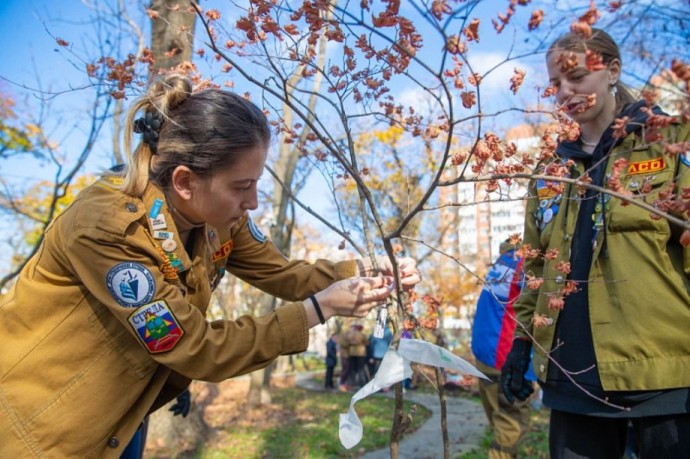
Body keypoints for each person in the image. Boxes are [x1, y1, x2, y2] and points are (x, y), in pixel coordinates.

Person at [0, 74, 422, 457]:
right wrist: (320, 308)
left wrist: (369, 271)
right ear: (185, 181)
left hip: (124, 414)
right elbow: (196, 346)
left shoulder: (217, 217)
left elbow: (284, 273)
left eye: (256, 184)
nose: (253, 201)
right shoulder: (110, 230)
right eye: (242, 186)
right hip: (42, 428)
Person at [500, 28, 690, 458]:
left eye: (577, 77)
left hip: (662, 380)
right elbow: (534, 267)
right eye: (556, 84)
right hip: (571, 384)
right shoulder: (550, 171)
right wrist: (522, 343)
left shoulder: (670, 142)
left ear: (612, 71)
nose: (565, 92)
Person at [471, 240, 533, 459]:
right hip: (505, 355)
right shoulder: (526, 263)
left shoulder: (501, 263)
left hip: (485, 354)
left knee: (500, 425)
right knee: (509, 429)